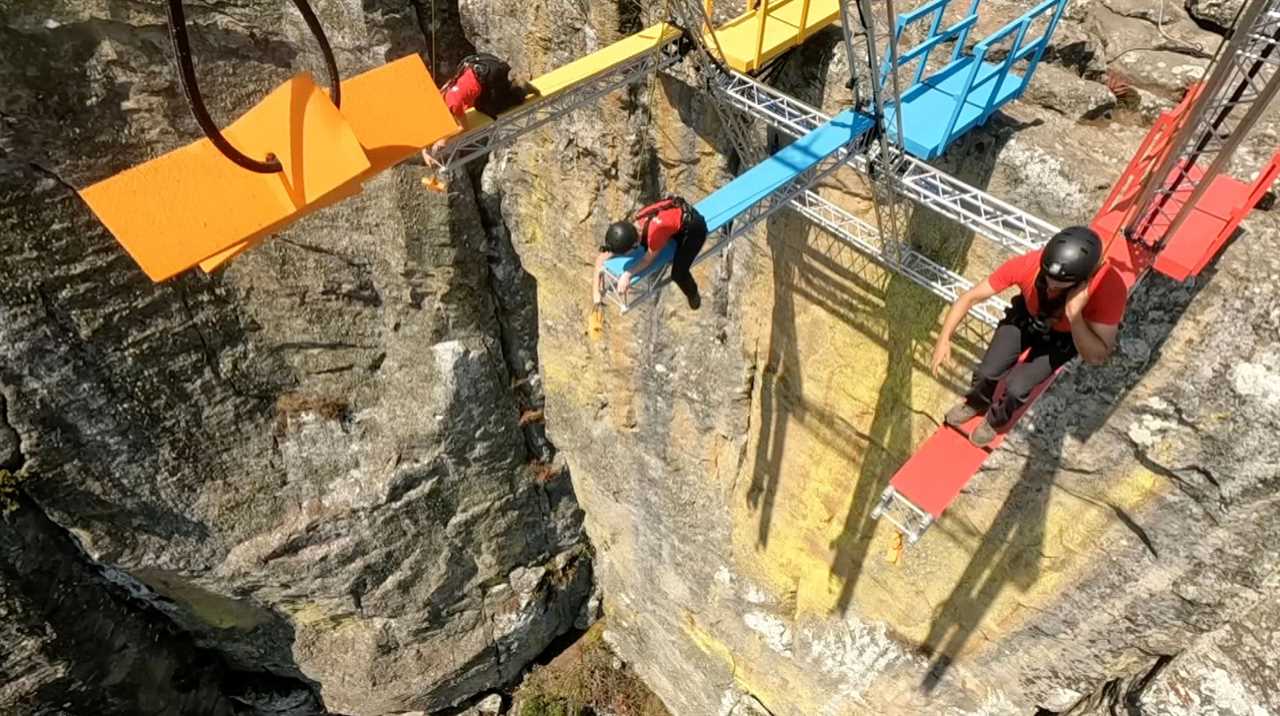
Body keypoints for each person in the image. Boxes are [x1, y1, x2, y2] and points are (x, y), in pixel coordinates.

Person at [929, 226, 1128, 447]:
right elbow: (970, 297)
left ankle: (994, 422)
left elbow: (1098, 355)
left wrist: (1075, 315)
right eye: (1048, 278)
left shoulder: (1109, 289)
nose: (1051, 286)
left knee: (1017, 387)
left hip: (1064, 336)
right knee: (987, 371)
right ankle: (977, 403)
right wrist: (943, 339)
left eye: (1060, 284)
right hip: (1027, 316)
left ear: (1083, 281)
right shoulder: (1029, 266)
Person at [422, 53, 540, 191]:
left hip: (492, 73)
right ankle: (506, 89)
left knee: (493, 109)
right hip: (480, 66)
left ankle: (521, 89)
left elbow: (463, 127)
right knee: (480, 104)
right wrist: (424, 149)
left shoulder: (453, 104)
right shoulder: (442, 94)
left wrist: (443, 140)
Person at [592, 195, 709, 311]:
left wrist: (627, 275)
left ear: (634, 245)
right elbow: (601, 258)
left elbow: (647, 260)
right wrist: (596, 297)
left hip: (694, 228)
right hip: (679, 215)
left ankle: (693, 294)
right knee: (662, 238)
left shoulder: (654, 234)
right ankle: (672, 232)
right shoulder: (636, 222)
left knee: (678, 273)